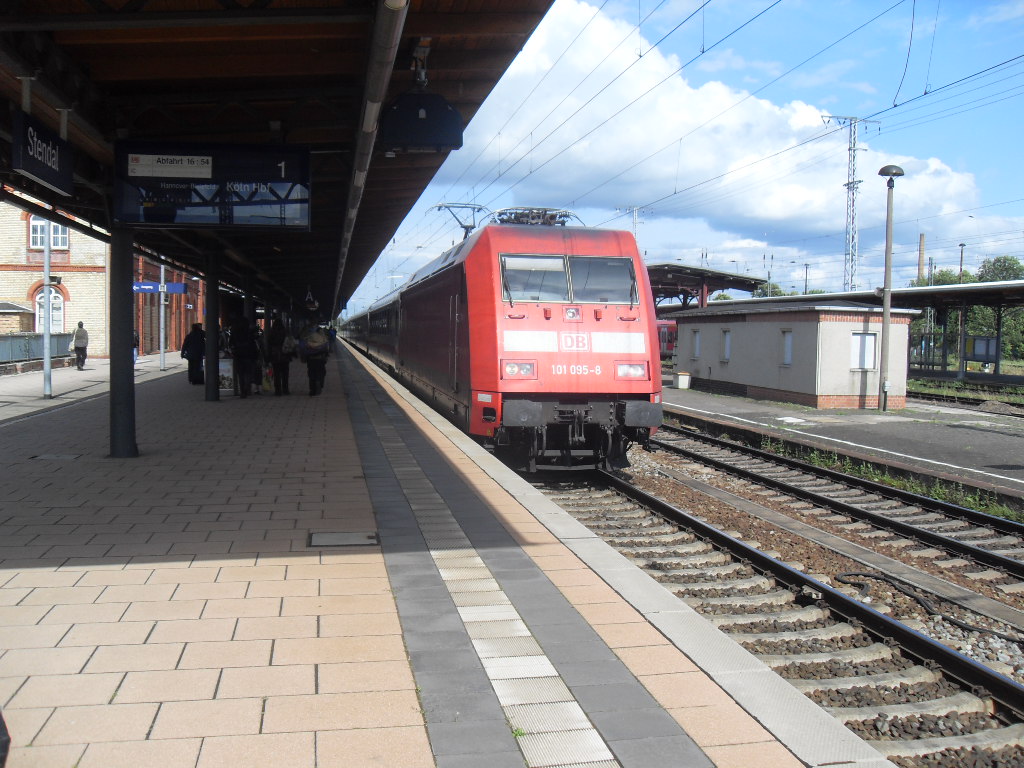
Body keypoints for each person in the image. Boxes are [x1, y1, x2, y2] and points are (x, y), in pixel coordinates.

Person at [229, 316, 261, 398]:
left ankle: (243, 391)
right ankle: (247, 389)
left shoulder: (234, 332)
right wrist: (256, 356)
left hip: (238, 355)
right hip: (248, 355)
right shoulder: (249, 332)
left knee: (240, 374)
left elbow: (230, 344)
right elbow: (254, 345)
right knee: (248, 373)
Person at [266, 318, 296, 396]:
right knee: (285, 374)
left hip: (275, 355)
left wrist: (268, 357)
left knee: (276, 374)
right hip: (285, 355)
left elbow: (269, 345)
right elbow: (290, 343)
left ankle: (278, 390)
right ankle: (285, 389)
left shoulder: (272, 332)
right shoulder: (285, 332)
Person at [299, 322, 329, 396]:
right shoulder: (322, 335)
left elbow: (302, 346)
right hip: (320, 358)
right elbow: (326, 347)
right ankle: (319, 382)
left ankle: (312, 390)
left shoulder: (308, 335)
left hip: (311, 358)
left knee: (311, 373)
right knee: (321, 372)